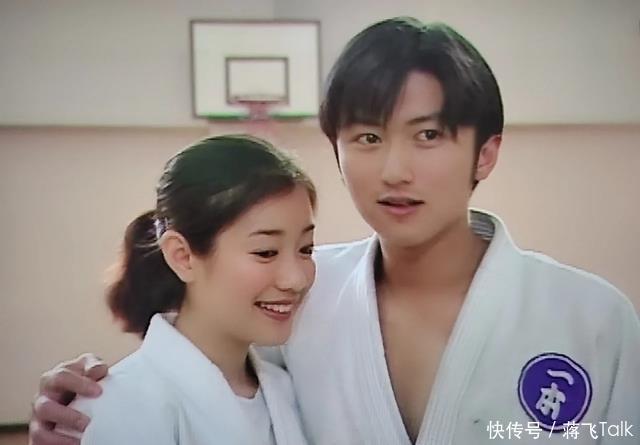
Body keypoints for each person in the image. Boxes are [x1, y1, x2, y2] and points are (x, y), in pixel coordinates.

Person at [30, 17, 640, 445]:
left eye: (428, 135)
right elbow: (195, 367)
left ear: (485, 153)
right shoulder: (297, 302)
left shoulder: (591, 319)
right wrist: (88, 405)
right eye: (368, 137)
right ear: (338, 151)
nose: (395, 170)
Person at [48, 135, 315, 444]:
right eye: (266, 252)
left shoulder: (285, 390)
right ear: (182, 256)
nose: (296, 279)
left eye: (306, 249)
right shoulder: (120, 406)